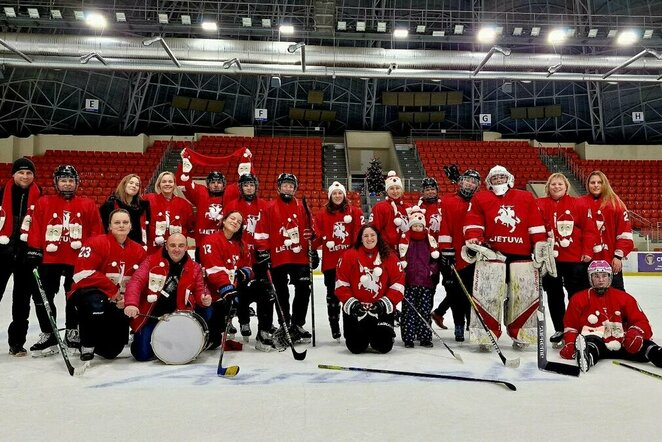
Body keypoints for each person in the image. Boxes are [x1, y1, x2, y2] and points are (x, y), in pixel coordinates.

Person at [463, 165, 551, 350]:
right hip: (492, 254)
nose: (499, 181)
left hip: (522, 255)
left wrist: (540, 245)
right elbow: (473, 221)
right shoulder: (481, 198)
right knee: (487, 295)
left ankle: (522, 334)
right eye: (495, 178)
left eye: (502, 177)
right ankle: (485, 336)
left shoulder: (525, 197)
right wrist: (476, 240)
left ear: (509, 179)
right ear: (489, 182)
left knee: (524, 296)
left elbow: (534, 222)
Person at [26, 164, 104, 356]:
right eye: (63, 180)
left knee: (75, 296)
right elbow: (35, 226)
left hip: (77, 259)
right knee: (41, 297)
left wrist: (93, 254)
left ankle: (72, 330)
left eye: (70, 180)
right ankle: (49, 333)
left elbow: (96, 231)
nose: (67, 184)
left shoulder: (87, 204)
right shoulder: (44, 202)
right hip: (50, 258)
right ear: (56, 183)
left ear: (76, 183)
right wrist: (34, 249)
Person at [68, 209, 147, 361]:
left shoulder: (139, 250)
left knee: (111, 351)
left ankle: (101, 339)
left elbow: (142, 281)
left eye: (125, 222)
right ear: (109, 226)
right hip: (92, 296)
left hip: (119, 302)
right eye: (117, 222)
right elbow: (81, 274)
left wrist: (129, 300)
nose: (121, 226)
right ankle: (87, 343)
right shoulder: (95, 243)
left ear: (131, 226)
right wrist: (113, 292)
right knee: (96, 304)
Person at [560, 260, 662, 372]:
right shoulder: (578, 299)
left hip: (623, 342)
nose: (600, 280)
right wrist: (570, 343)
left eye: (604, 276)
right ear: (590, 278)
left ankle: (658, 355)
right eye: (596, 276)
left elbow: (641, 321)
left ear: (610, 277)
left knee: (647, 346)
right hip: (596, 340)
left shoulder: (625, 298)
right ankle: (587, 357)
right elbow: (570, 325)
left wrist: (636, 333)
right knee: (591, 344)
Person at [123, 233, 209, 361]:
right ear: (166, 246)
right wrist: (131, 303)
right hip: (151, 316)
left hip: (177, 318)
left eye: (181, 246)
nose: (177, 249)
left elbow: (200, 290)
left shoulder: (194, 268)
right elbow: (136, 281)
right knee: (142, 354)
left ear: (186, 247)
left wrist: (204, 298)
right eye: (172, 245)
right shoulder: (151, 261)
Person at [537, 172, 600, 346]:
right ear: (548, 187)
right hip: (551, 260)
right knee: (554, 295)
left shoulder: (577, 203)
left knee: (577, 296)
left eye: (560, 184)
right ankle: (560, 328)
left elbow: (590, 229)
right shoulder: (539, 204)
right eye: (553, 184)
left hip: (575, 259)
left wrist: (588, 250)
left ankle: (577, 328)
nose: (556, 187)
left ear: (566, 187)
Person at [254, 173, 316, 344]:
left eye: (291, 185)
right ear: (278, 187)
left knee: (304, 289)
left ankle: (297, 324)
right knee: (281, 292)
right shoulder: (269, 207)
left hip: (300, 257)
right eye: (285, 185)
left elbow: (312, 230)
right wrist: (263, 250)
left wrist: (314, 248)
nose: (288, 188)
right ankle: (285, 323)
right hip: (278, 256)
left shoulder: (303, 207)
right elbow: (261, 231)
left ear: (295, 188)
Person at [199, 211, 267, 351]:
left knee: (265, 290)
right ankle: (219, 330)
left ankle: (263, 332)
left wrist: (245, 273)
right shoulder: (210, 241)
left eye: (239, 221)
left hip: (236, 290)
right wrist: (226, 288)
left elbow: (249, 267)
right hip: (216, 294)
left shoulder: (241, 244)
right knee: (213, 340)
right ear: (223, 221)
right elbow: (214, 270)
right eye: (232, 218)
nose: (235, 222)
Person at [335, 224, 404, 354]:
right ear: (360, 239)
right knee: (356, 347)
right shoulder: (349, 255)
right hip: (357, 311)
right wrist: (353, 304)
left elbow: (398, 283)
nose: (369, 239)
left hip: (381, 310)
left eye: (372, 235)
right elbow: (341, 283)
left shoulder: (389, 256)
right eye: (365, 236)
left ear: (378, 237)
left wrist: (384, 303)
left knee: (383, 346)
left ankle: (377, 334)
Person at [224, 173, 273, 341]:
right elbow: (227, 230)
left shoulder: (265, 206)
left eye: (251, 184)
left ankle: (265, 326)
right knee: (242, 291)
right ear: (241, 187)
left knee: (266, 292)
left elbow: (269, 229)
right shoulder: (232, 205)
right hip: (240, 257)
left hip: (259, 257)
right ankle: (243, 321)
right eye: (246, 185)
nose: (249, 187)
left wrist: (265, 250)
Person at [312, 181, 364, 340]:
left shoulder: (355, 212)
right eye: (334, 193)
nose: (337, 195)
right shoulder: (321, 215)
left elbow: (359, 235)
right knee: (332, 295)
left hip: (351, 263)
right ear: (330, 196)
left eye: (339, 193)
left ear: (344, 195)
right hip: (331, 263)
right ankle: (334, 325)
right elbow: (317, 238)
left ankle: (351, 326)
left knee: (351, 295)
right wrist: (311, 243)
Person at [0, 158, 41, 356]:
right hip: (2, 253)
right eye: (21, 173)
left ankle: (17, 342)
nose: (25, 176)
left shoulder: (40, 197)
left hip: (26, 255)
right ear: (13, 174)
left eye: (29, 173)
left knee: (21, 302)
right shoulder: (1, 194)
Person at [435, 169, 481, 342]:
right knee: (455, 292)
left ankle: (472, 324)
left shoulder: (479, 201)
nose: (470, 184)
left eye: (474, 182)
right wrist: (446, 251)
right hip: (454, 254)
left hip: (475, 255)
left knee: (471, 292)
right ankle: (459, 325)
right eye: (467, 180)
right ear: (461, 182)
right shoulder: (449, 201)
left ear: (477, 186)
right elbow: (445, 226)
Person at [578, 170, 634, 291]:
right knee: (587, 294)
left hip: (610, 259)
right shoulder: (580, 203)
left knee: (617, 294)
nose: (596, 185)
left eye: (599, 182)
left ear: (605, 184)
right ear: (588, 184)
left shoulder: (616, 204)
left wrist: (618, 256)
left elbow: (624, 233)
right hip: (587, 260)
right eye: (592, 182)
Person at [399, 206, 439, 348]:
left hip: (425, 282)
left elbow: (435, 260)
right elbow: (400, 258)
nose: (417, 228)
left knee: (424, 311)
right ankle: (408, 337)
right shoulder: (405, 240)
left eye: (419, 225)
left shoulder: (429, 240)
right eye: (414, 225)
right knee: (408, 311)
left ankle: (425, 337)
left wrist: (430, 271)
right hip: (409, 281)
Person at [143, 171, 194, 253]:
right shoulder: (149, 200)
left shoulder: (184, 204)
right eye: (164, 182)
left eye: (170, 182)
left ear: (174, 185)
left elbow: (189, 226)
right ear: (159, 184)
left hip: (176, 250)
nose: (167, 184)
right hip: (154, 248)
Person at [99, 174, 150, 246]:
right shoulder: (110, 205)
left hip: (137, 247)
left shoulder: (143, 207)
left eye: (137, 184)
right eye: (131, 183)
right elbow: (103, 228)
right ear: (124, 184)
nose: (134, 186)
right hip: (114, 246)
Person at [368, 170, 411, 252]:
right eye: (391, 188)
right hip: (387, 251)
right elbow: (373, 229)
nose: (395, 191)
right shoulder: (379, 207)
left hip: (406, 251)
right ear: (387, 190)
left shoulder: (408, 207)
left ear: (401, 190)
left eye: (397, 188)